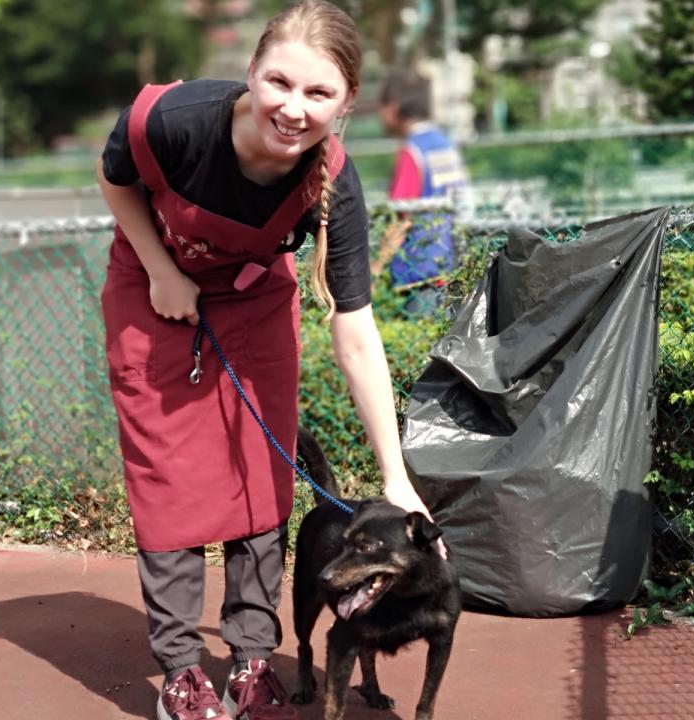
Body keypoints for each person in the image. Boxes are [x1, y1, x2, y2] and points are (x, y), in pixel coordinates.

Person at [96, 2, 439, 718]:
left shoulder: (333, 184)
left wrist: (395, 477)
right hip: (156, 291)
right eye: (278, 82)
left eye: (319, 94)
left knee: (260, 474)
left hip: (253, 302)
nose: (292, 108)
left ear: (346, 104)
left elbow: (355, 332)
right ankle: (183, 670)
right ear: (250, 71)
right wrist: (161, 269)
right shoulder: (174, 121)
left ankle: (252, 654)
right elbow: (117, 179)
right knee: (171, 484)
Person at [370, 68, 468, 314]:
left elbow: (401, 218)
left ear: (393, 107)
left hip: (420, 276)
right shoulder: (444, 145)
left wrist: (375, 269)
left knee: (424, 350)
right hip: (451, 265)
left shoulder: (412, 151)